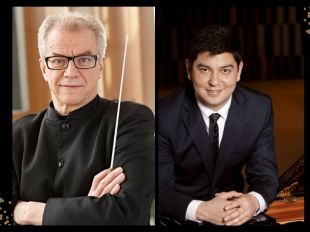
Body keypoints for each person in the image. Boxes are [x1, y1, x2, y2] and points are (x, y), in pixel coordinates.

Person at [12, 11, 154, 225]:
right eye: (59, 60)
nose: (71, 72)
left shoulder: (130, 119)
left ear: (100, 66)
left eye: (84, 59)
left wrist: (28, 211)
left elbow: (128, 213)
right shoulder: (18, 132)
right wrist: (88, 209)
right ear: (44, 68)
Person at [158, 25, 279, 226]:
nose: (214, 81)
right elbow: (159, 189)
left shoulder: (260, 108)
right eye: (204, 69)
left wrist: (252, 201)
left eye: (225, 70)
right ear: (189, 69)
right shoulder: (164, 114)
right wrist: (200, 210)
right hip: (179, 215)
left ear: (239, 71)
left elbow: (265, 176)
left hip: (234, 213)